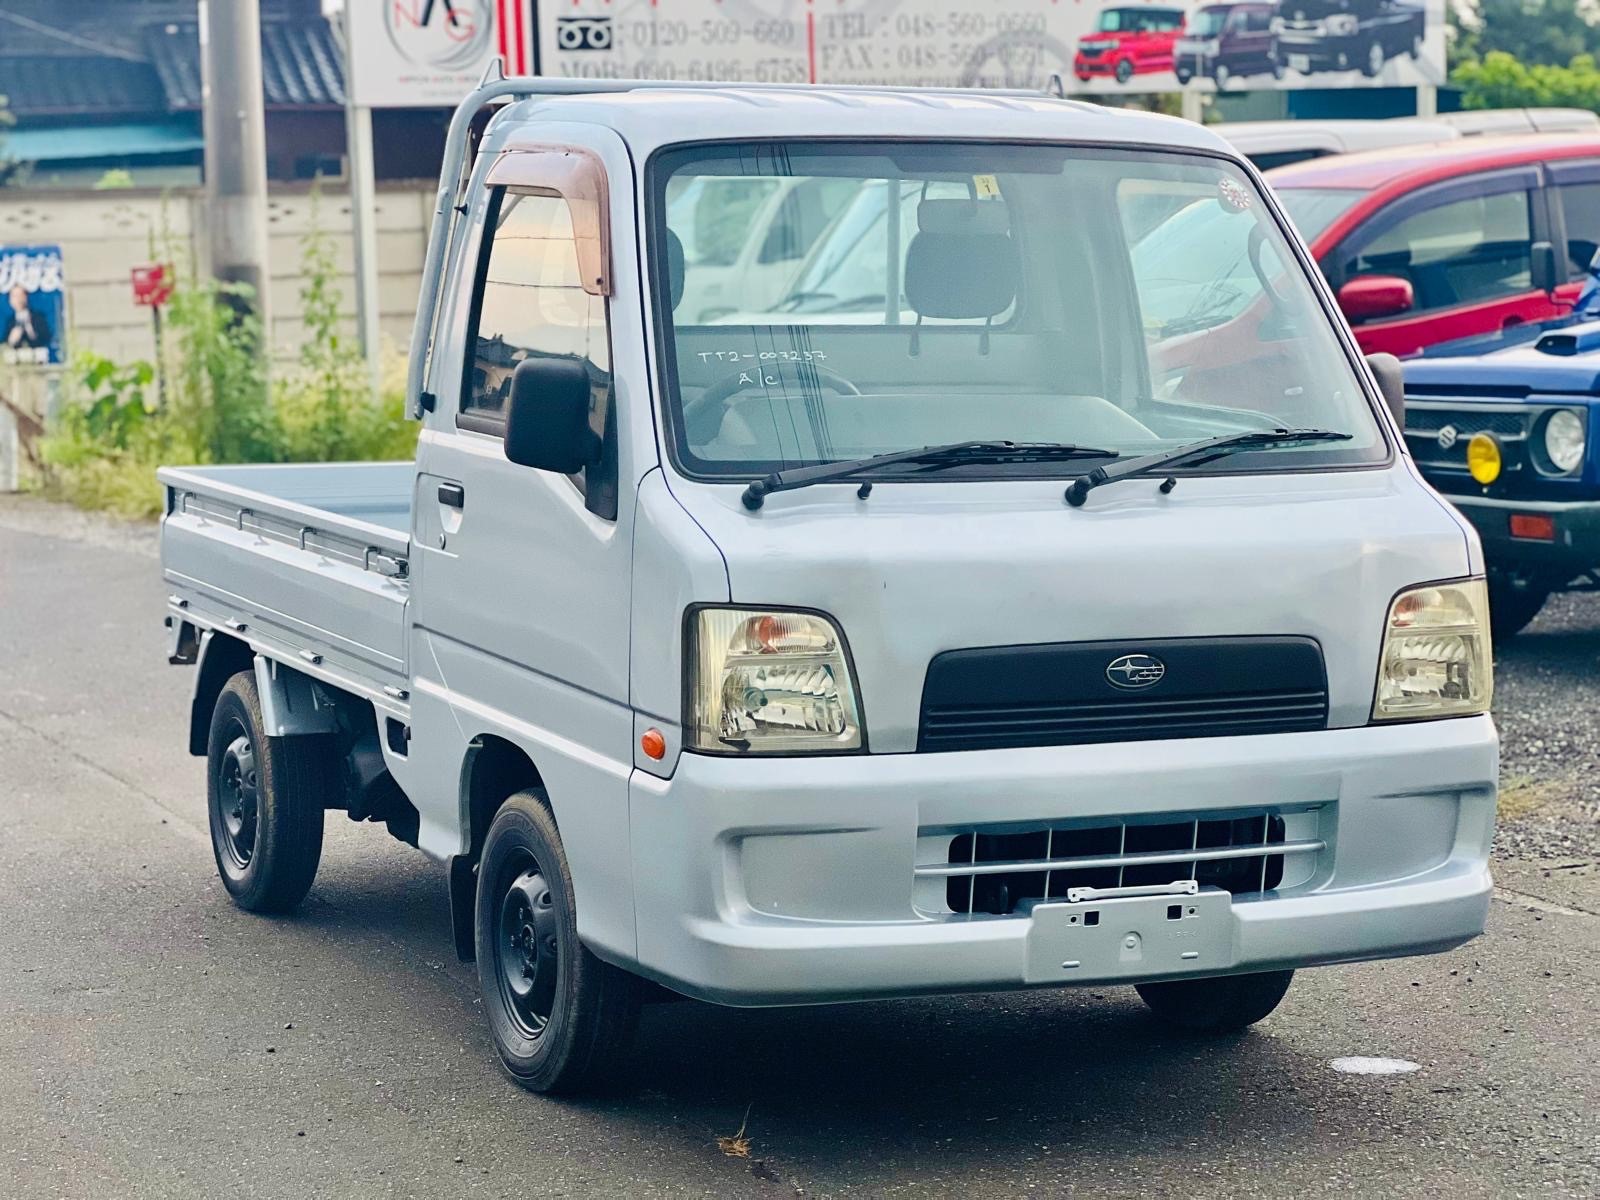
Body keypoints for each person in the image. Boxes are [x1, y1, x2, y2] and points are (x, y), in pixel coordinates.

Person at [3, 284, 52, 352]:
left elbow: (47, 340)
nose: (18, 299)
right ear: (10, 300)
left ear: (26, 297)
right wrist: (11, 341)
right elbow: (4, 346)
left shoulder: (39, 317)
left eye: (20, 295)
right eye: (14, 296)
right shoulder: (9, 321)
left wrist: (31, 332)